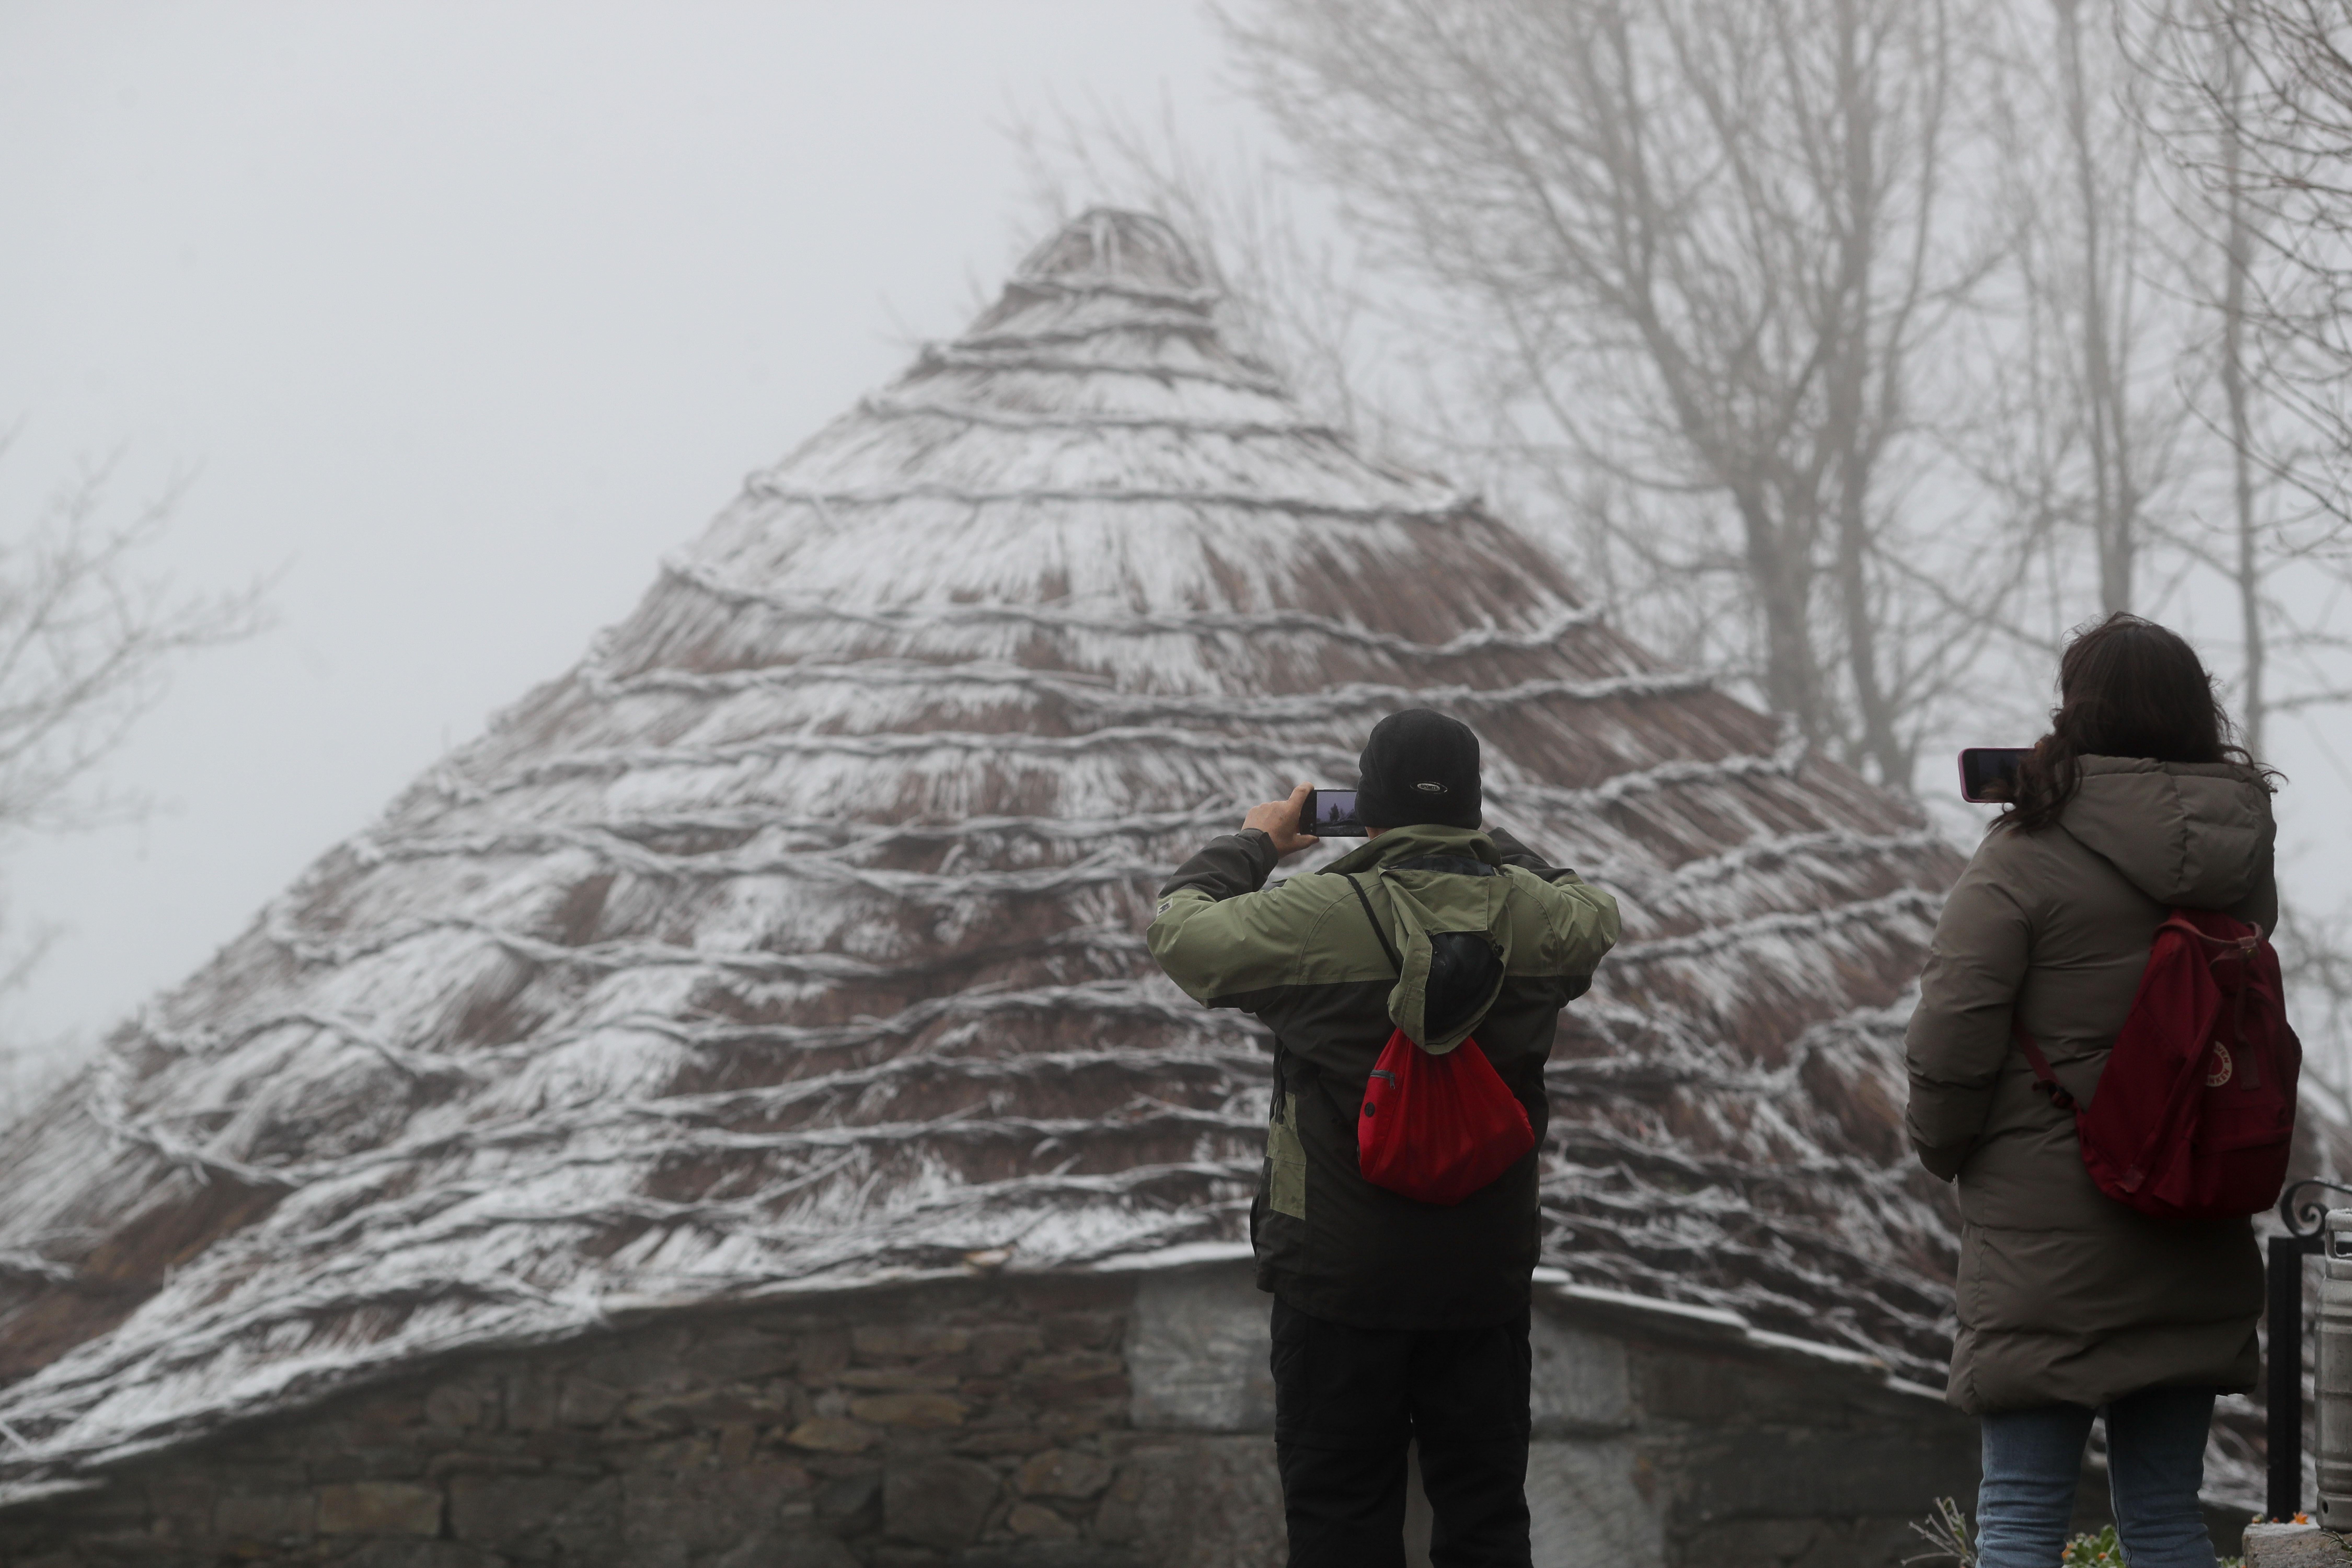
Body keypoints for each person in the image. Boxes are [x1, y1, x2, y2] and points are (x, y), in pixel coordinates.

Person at [1147, 708, 1620, 1568]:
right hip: (1481, 1275)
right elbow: (1592, 907)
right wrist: (1484, 842)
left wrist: (1254, 843)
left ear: (1366, 811)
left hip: (1338, 1280)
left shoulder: (1313, 915)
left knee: (1340, 1523)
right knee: (1485, 1519)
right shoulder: (1542, 924)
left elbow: (1183, 932)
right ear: (1474, 808)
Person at [1904, 614, 2280, 1568]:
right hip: (2192, 1213)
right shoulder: (2242, 861)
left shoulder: (2023, 858)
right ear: (2200, 718)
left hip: (2044, 1236)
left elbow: (1952, 1040)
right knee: (2166, 1521)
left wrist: (1944, 1147)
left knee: (2024, 1519)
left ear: (2076, 714)